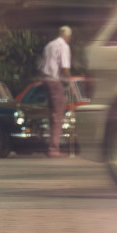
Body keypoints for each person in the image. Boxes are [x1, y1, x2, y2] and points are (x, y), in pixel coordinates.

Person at [40, 25, 72, 157]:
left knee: (52, 114)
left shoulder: (49, 45)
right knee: (58, 114)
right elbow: (64, 67)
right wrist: (69, 81)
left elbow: (41, 65)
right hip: (54, 80)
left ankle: (50, 145)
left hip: (45, 80)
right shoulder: (63, 46)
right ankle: (54, 148)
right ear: (67, 36)